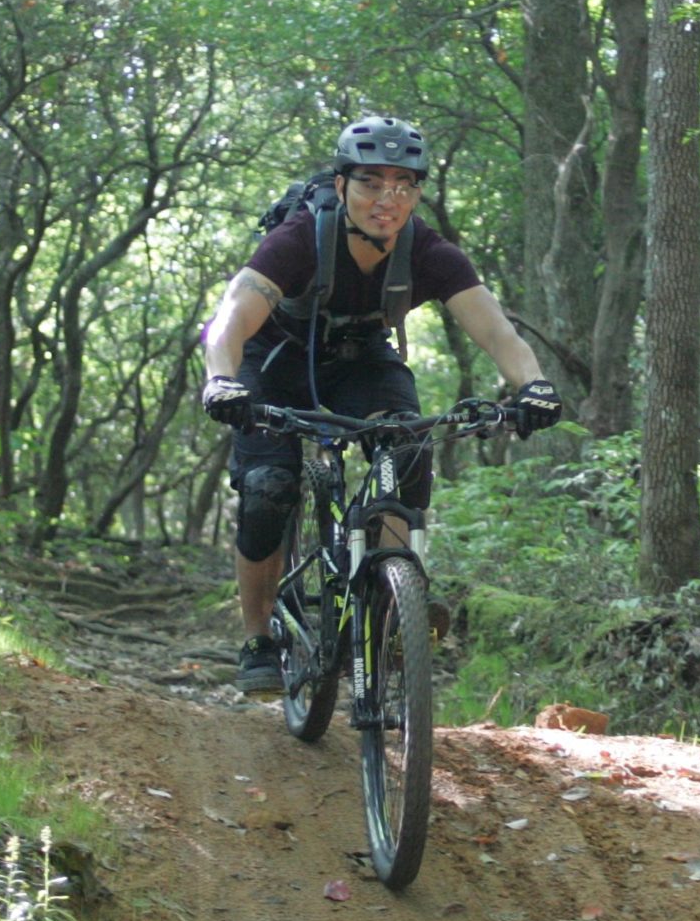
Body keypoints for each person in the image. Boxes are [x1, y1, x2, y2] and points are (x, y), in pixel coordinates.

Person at [200, 115, 562, 694]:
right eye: (370, 182)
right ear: (341, 185)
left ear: (418, 191)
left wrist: (533, 386)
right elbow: (229, 322)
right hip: (274, 361)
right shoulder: (297, 240)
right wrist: (221, 381)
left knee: (409, 448)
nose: (386, 199)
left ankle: (396, 603)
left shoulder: (430, 253)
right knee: (269, 487)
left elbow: (497, 334)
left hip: (363, 360)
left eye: (403, 184)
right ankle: (257, 638)